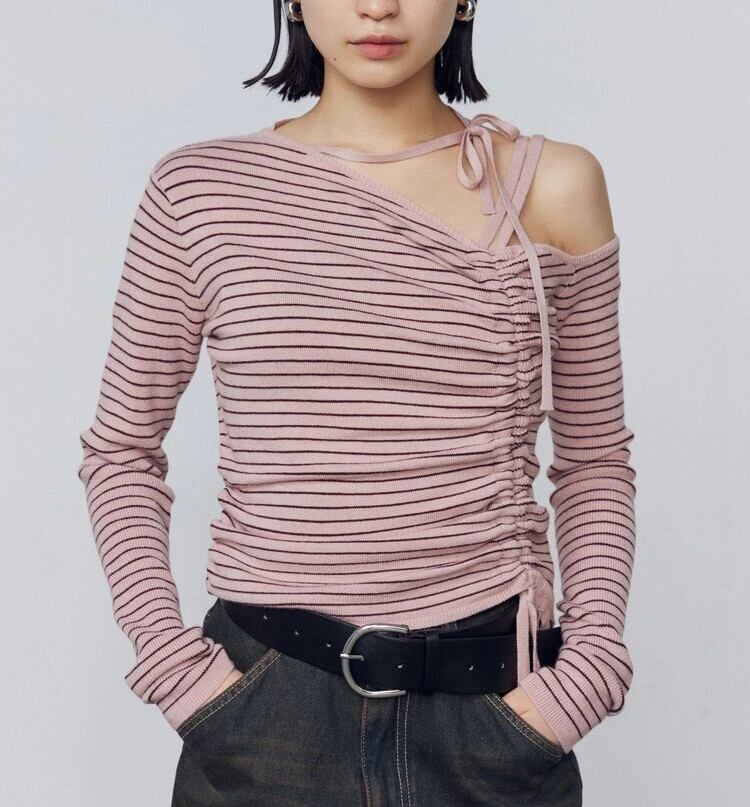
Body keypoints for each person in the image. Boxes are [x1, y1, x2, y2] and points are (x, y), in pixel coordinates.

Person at [76, 1, 637, 804]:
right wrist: (176, 669)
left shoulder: (551, 183)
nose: (378, 6)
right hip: (263, 703)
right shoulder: (200, 191)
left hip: (493, 703)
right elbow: (121, 452)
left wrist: (586, 671)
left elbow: (594, 460)